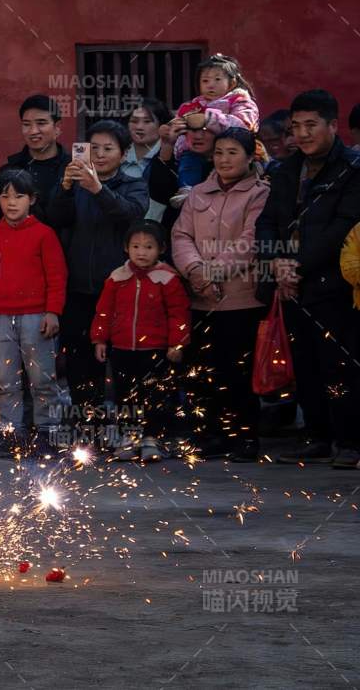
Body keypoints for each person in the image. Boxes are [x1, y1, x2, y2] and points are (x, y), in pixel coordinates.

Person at [256, 89, 360, 468]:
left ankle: (349, 441)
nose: (302, 134)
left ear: (333, 125)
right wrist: (275, 262)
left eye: (311, 125)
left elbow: (342, 228)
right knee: (305, 364)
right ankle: (317, 436)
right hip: (291, 287)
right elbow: (267, 221)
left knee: (340, 365)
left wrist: (294, 265)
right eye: (296, 126)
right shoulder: (287, 169)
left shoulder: (352, 169)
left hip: (334, 286)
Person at [171, 128, 269, 462]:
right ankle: (211, 434)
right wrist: (196, 271)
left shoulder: (260, 194)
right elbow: (181, 236)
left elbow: (250, 242)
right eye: (219, 153)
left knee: (238, 372)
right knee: (204, 371)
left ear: (250, 157)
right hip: (200, 298)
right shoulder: (198, 192)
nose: (224, 160)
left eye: (232, 153)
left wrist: (213, 272)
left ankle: (244, 437)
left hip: (242, 299)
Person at [48, 118, 149, 421]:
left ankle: (131, 428)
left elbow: (131, 215)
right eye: (94, 148)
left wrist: (98, 189)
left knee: (125, 363)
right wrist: (66, 188)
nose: (101, 155)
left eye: (108, 148)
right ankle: (87, 428)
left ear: (124, 152)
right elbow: (55, 219)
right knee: (80, 363)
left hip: (121, 291)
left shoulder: (133, 183)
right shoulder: (74, 184)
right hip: (78, 289)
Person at [0, 171, 67, 457]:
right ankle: (11, 433)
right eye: (5, 196)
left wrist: (53, 312)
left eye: (19, 196)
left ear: (32, 200)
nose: (11, 202)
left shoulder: (44, 235)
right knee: (5, 380)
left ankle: (48, 433)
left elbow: (57, 276)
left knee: (43, 379)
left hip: (36, 318)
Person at [91, 222, 191, 462]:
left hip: (155, 350)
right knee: (124, 395)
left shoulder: (167, 279)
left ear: (161, 249)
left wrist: (177, 343)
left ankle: (151, 439)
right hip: (122, 349)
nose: (141, 252)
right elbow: (104, 311)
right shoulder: (117, 277)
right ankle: (129, 437)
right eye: (136, 246)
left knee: (154, 395)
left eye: (148, 247)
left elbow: (179, 313)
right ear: (126, 248)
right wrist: (99, 339)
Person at [0, 94, 72, 234]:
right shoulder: (9, 172)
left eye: (41, 123)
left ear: (57, 127)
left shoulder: (74, 170)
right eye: (27, 124)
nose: (33, 131)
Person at [168, 54, 259, 190]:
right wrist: (178, 139)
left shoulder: (240, 101)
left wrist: (210, 119)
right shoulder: (192, 105)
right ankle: (187, 191)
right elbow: (181, 128)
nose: (210, 85)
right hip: (195, 153)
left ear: (232, 83)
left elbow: (243, 125)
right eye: (205, 81)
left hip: (230, 153)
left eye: (217, 79)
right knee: (187, 161)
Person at [124, 96, 172, 221]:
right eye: (134, 121)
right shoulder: (117, 156)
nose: (139, 127)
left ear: (162, 125)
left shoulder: (173, 158)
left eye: (147, 121)